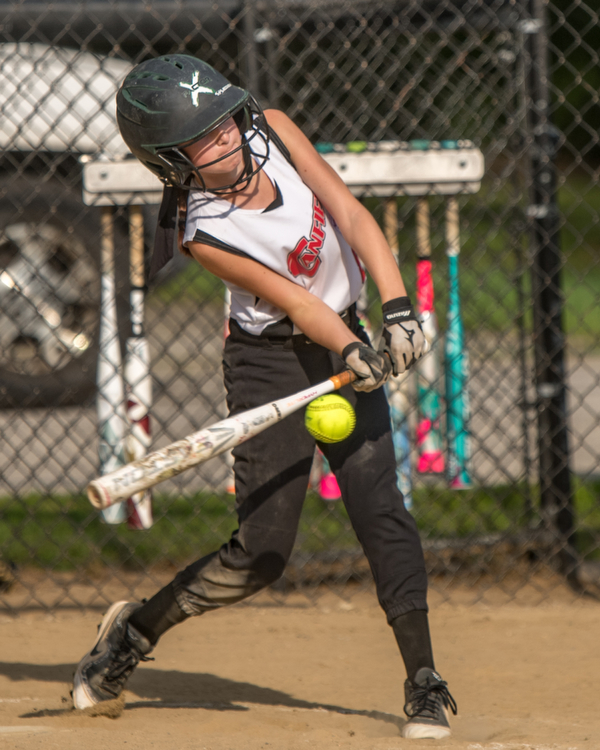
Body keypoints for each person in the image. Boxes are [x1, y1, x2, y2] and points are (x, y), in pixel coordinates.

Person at [73, 53, 457, 740]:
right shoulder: (204, 231)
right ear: (174, 164)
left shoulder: (273, 130)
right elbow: (296, 301)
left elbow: (352, 215)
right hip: (270, 364)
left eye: (227, 120)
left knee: (382, 510)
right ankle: (134, 632)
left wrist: (396, 310)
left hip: (344, 336)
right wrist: (348, 349)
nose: (228, 138)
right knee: (261, 555)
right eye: (206, 138)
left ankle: (424, 682)